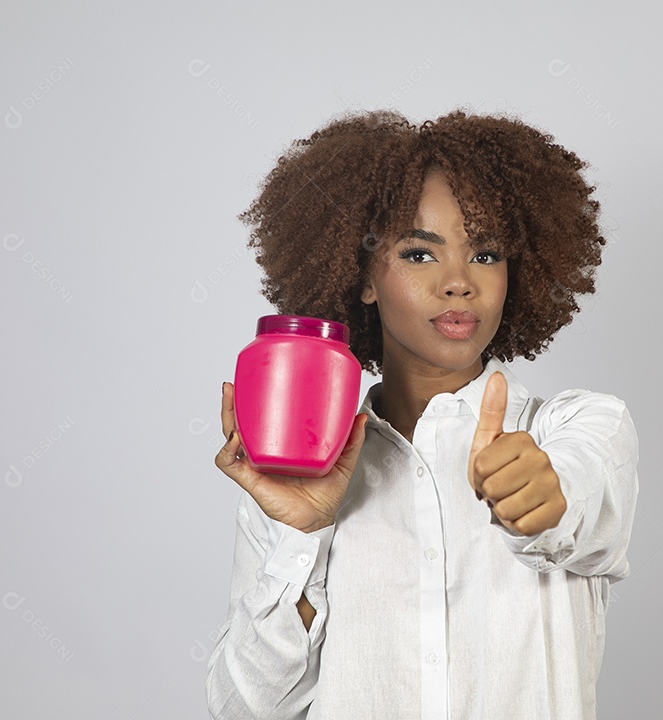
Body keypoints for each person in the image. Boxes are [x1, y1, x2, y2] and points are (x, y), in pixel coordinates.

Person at [206, 108, 640, 720]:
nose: (459, 282)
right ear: (363, 278)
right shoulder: (300, 476)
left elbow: (578, 500)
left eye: (486, 254)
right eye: (418, 254)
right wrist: (303, 537)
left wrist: (545, 498)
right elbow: (246, 709)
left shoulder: (581, 429)